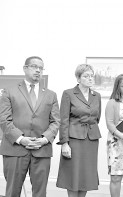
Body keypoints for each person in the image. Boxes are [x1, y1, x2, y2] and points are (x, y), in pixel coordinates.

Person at [0, 56, 60, 197]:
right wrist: (21, 139)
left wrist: (45, 139)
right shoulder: (9, 91)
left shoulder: (51, 95)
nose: (38, 70)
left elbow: (56, 121)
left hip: (42, 149)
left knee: (40, 193)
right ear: (25, 68)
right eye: (34, 66)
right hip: (15, 149)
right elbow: (4, 119)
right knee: (12, 192)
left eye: (41, 68)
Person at [56, 64, 102, 197]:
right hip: (74, 139)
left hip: (91, 139)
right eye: (86, 76)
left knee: (86, 175)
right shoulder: (68, 93)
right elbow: (63, 119)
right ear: (78, 78)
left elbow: (96, 118)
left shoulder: (96, 95)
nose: (90, 79)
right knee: (73, 174)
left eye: (92, 76)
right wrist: (64, 143)